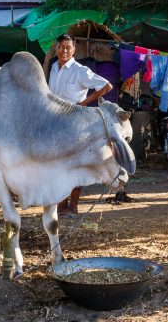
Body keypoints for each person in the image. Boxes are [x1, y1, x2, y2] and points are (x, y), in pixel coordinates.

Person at [48, 33, 113, 216]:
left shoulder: (80, 70)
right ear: (56, 48)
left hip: (75, 126)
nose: (65, 50)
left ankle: (73, 207)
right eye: (61, 47)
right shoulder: (53, 67)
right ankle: (61, 206)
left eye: (68, 47)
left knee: (76, 167)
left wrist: (84, 103)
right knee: (58, 166)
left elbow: (107, 86)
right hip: (55, 124)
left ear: (74, 49)